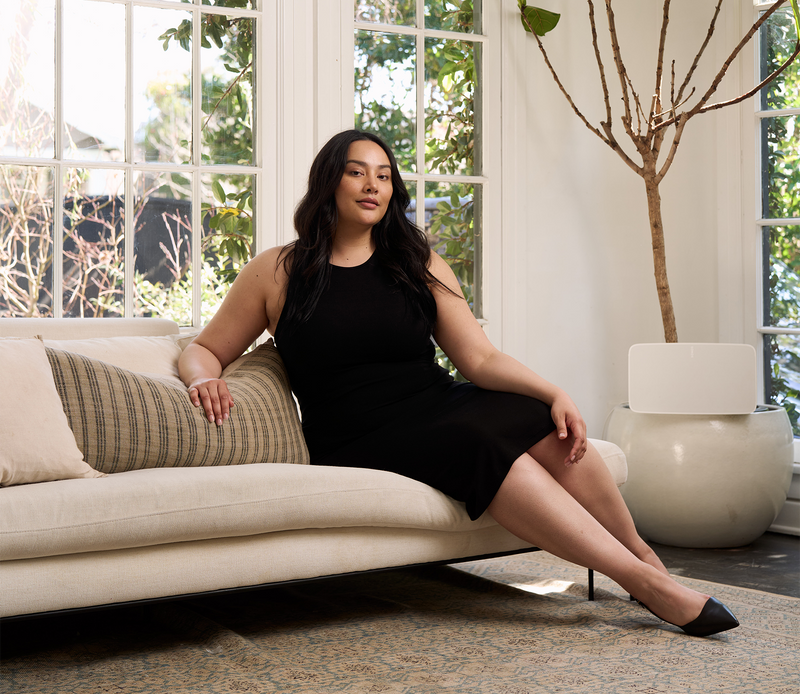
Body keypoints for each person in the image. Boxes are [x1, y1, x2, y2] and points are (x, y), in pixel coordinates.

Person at [179, 129, 738, 638]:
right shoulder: (278, 270)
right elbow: (206, 348)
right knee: (480, 442)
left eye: (383, 174)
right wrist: (205, 378)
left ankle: (641, 555)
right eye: (356, 171)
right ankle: (644, 584)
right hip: (355, 434)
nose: (373, 184)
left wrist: (553, 394)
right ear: (328, 182)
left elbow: (479, 357)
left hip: (432, 401)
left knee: (536, 417)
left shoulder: (415, 261)